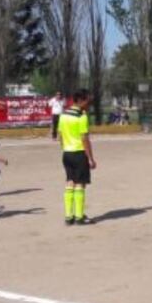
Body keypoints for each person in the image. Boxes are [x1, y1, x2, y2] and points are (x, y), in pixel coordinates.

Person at [59, 89, 96, 225]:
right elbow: (84, 139)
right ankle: (79, 217)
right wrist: (91, 158)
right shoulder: (82, 117)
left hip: (66, 153)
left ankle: (69, 217)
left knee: (70, 182)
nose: (89, 105)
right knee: (80, 184)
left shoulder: (63, 115)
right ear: (81, 101)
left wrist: (65, 148)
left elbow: (60, 135)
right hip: (79, 153)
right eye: (88, 101)